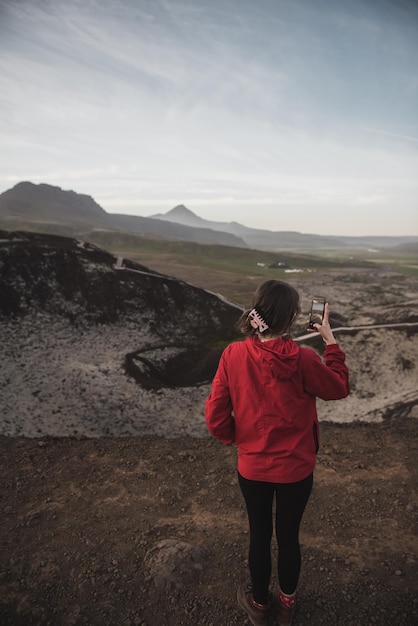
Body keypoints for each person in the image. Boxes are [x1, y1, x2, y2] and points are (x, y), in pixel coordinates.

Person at [205, 280, 350, 626]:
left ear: (258, 313)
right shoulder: (304, 360)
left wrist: (238, 440)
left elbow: (215, 416)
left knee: (259, 534)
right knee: (288, 537)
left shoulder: (233, 355)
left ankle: (259, 604)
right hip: (296, 470)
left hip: (252, 467)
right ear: (291, 319)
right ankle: (286, 606)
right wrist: (329, 341)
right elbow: (339, 387)